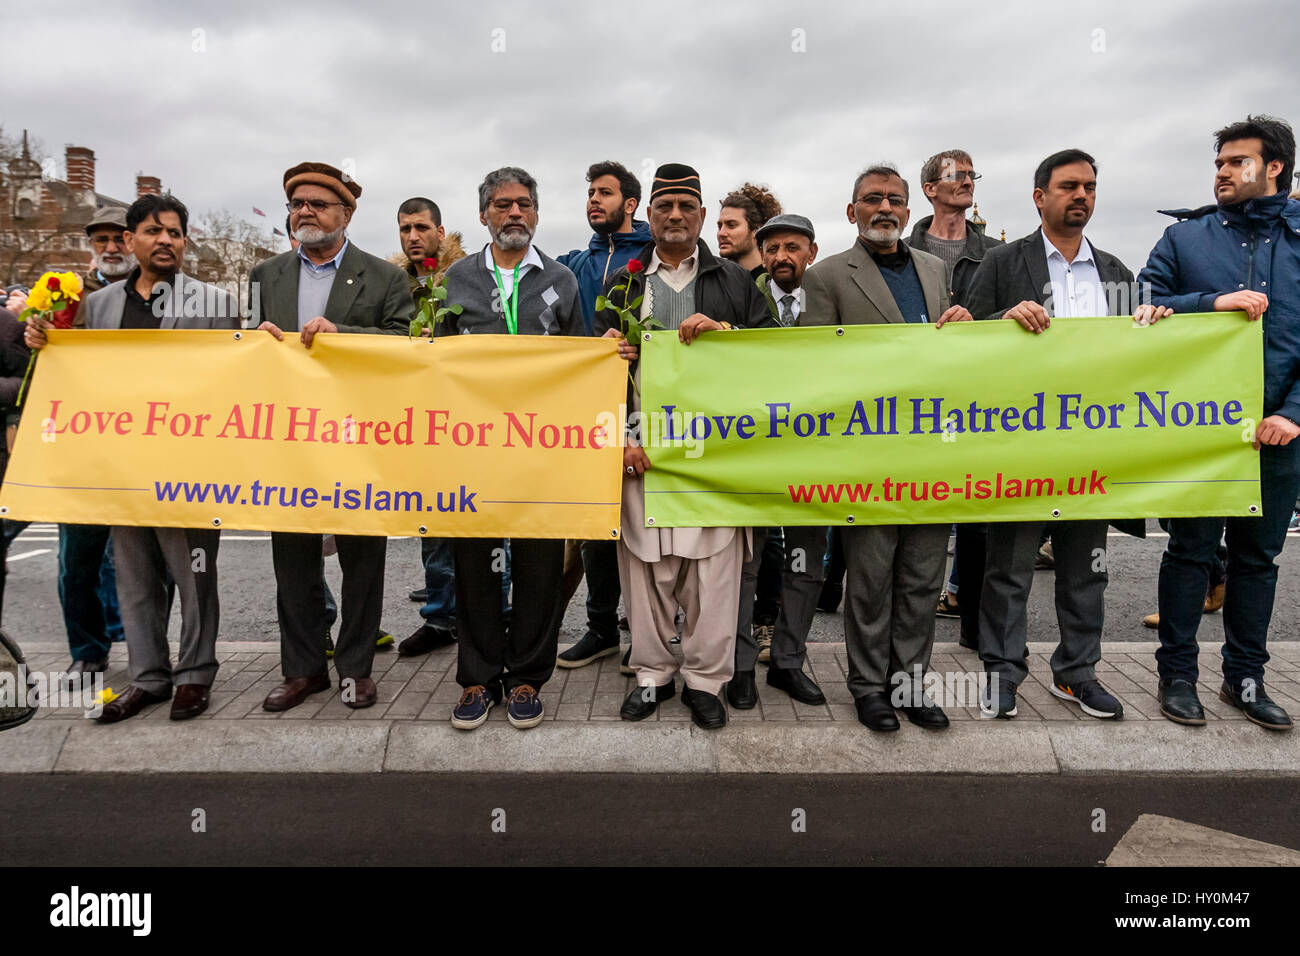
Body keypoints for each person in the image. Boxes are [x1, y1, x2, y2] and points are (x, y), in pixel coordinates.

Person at [966, 148, 1169, 720]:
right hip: (1021, 446)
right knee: (1008, 571)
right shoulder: (1003, 263)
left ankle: (1077, 674)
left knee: (1087, 571)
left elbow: (1141, 355)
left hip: (1091, 451)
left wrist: (1156, 323)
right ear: (1040, 198)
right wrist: (1000, 324)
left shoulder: (1116, 272)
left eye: (1090, 187)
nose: (1082, 196)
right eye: (1069, 186)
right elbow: (962, 347)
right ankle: (1001, 673)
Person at [25, 194, 241, 722]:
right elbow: (77, 379)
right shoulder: (97, 308)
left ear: (185, 242)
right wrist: (44, 341)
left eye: (174, 232)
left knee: (194, 580)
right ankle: (148, 677)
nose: (164, 240)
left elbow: (238, 379)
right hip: (121, 468)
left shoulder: (218, 304)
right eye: (152, 231)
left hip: (188, 470)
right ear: (131, 240)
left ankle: (194, 676)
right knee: (134, 579)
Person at [595, 162, 772, 729]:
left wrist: (730, 338)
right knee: (646, 570)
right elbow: (597, 370)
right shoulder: (621, 281)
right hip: (642, 448)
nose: (675, 216)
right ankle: (651, 675)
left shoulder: (734, 281)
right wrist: (620, 436)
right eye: (664, 206)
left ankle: (705, 681)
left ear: (700, 214)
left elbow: (778, 357)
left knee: (714, 573)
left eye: (686, 207)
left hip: (714, 452)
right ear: (647, 214)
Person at [1139, 115, 1300, 731]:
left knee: (1257, 562)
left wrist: (1292, 414)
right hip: (1201, 431)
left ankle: (1246, 681)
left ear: (1275, 167)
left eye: (1236, 162)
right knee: (1189, 552)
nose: (1223, 173)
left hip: (1277, 435)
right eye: (1218, 164)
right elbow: (1139, 303)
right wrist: (1211, 304)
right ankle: (1178, 680)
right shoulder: (1186, 240)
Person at [802, 164, 973, 732]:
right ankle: (869, 687)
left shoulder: (933, 269)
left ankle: (911, 683)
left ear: (907, 210)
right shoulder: (825, 277)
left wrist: (963, 329)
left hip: (930, 454)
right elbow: (815, 369)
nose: (885, 208)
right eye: (872, 199)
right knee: (870, 580)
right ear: (852, 212)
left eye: (895, 200)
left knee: (923, 577)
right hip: (866, 456)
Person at [251, 161, 412, 713]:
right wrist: (255, 341)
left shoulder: (385, 276)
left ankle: (356, 669)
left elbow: (402, 345)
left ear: (346, 214)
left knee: (362, 559)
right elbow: (241, 345)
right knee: (292, 560)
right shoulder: (265, 275)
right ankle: (301, 671)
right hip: (289, 440)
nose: (305, 213)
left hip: (359, 439)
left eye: (318, 204)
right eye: (297, 204)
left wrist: (343, 334)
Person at [438, 166, 582, 731]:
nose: (514, 213)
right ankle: (476, 679)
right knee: (473, 564)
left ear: (538, 213)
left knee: (538, 565)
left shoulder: (562, 280)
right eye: (502, 205)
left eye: (524, 204)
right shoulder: (456, 279)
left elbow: (578, 358)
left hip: (541, 450)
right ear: (484, 216)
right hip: (473, 450)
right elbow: (433, 361)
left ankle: (526, 678)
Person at [553, 161, 651, 670]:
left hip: (643, 406)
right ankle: (600, 627)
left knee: (645, 524)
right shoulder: (571, 264)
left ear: (630, 204)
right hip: (586, 411)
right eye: (590, 192)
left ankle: (650, 632)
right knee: (595, 522)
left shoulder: (653, 257)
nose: (594, 200)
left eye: (605, 193)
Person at [730, 213, 827, 709]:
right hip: (756, 454)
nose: (781, 257)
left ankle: (788, 662)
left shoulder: (831, 297)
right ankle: (741, 667)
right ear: (761, 253)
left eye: (793, 247)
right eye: (772, 248)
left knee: (806, 564)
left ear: (811, 251)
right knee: (746, 564)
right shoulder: (740, 291)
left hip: (817, 455)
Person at [906, 150, 1003, 638]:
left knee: (977, 514)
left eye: (971, 175)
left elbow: (1008, 320)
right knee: (917, 507)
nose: (966, 182)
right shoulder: (899, 250)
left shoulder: (996, 254)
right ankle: (905, 634)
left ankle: (975, 627)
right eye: (955, 176)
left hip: (978, 397)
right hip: (911, 402)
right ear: (929, 188)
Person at [391, 196, 467, 658]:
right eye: (405, 229)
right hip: (417, 425)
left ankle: (491, 616)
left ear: (441, 232)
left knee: (486, 527)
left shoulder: (465, 279)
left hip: (468, 421)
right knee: (433, 528)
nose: (413, 237)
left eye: (421, 227)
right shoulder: (392, 283)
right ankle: (440, 618)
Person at [716, 183, 782, 277]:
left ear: (757, 231)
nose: (721, 233)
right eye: (719, 227)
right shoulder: (712, 282)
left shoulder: (775, 285)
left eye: (731, 225)